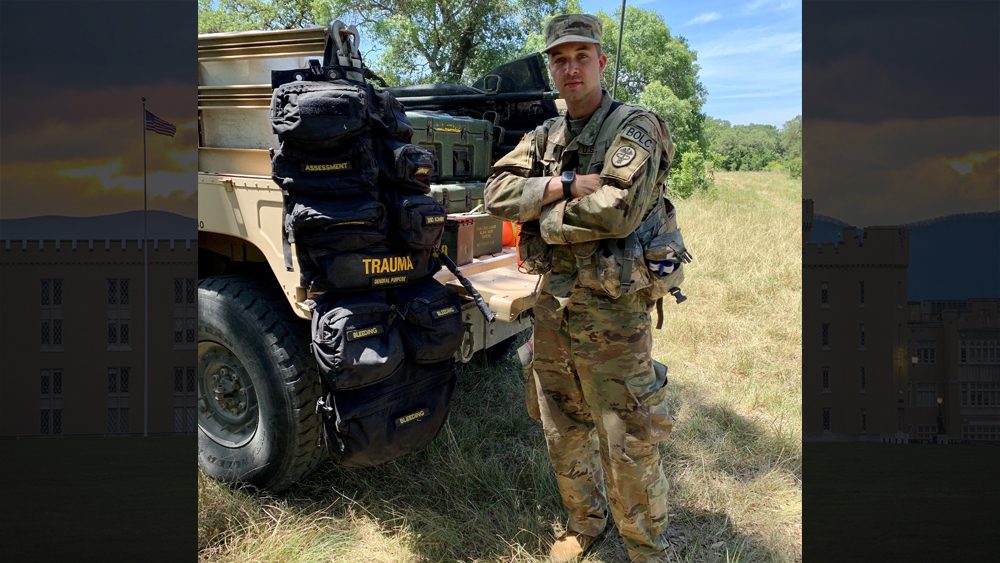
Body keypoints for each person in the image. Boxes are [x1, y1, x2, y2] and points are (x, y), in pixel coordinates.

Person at [484, 13, 678, 563]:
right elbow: (495, 191)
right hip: (554, 306)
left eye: (581, 56)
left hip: (613, 311)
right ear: (551, 66)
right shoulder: (545, 134)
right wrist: (563, 183)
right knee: (561, 423)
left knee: (627, 434)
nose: (571, 68)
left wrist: (541, 218)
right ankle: (585, 523)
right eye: (560, 58)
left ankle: (645, 546)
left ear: (601, 61)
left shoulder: (635, 126)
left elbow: (615, 211)